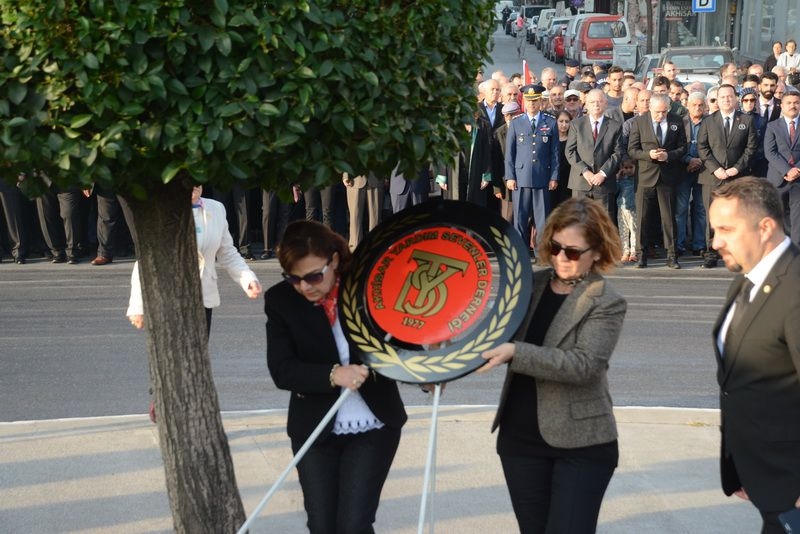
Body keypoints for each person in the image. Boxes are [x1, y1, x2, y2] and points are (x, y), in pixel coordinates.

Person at [479, 197, 627, 534]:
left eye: (573, 252)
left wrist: (517, 352)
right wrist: (447, 344)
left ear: (598, 253)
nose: (561, 257)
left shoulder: (606, 300)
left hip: (582, 444)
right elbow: (491, 333)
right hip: (520, 439)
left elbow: (583, 365)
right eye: (556, 247)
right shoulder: (529, 285)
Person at [265, 220, 407, 533]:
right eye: (294, 278)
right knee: (322, 525)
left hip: (374, 424)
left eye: (314, 276)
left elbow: (404, 339)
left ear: (335, 260)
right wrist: (334, 374)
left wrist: (429, 371)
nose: (305, 286)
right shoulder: (280, 301)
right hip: (314, 428)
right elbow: (282, 369)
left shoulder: (369, 288)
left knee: (354, 525)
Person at [707, 177, 800, 534]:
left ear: (765, 227)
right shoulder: (747, 278)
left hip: (791, 485)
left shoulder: (795, 287)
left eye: (727, 229)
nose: (716, 242)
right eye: (715, 229)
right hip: (762, 477)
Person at [127, 184, 262, 333]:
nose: (194, 185)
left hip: (204, 297)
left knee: (199, 353)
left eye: (197, 181)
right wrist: (138, 305)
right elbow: (147, 260)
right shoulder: (162, 211)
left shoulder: (216, 209)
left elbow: (227, 252)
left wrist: (248, 279)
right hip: (170, 299)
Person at [697, 84, 759, 268]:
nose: (726, 100)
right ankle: (711, 252)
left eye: (730, 96)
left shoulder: (746, 121)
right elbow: (702, 147)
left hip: (736, 177)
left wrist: (736, 169)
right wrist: (715, 168)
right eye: (722, 97)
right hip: (712, 177)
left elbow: (751, 148)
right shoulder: (708, 121)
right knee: (711, 216)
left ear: (736, 98)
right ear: (717, 99)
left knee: (737, 216)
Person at [627, 93, 688, 269]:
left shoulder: (676, 121)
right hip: (645, 176)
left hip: (667, 176)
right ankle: (641, 255)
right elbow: (632, 150)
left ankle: (672, 255)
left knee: (669, 218)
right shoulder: (639, 121)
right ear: (650, 108)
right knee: (643, 218)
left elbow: (683, 147)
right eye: (657, 112)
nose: (661, 115)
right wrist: (648, 155)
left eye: (664, 111)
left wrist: (668, 155)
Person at [505, 85, 560, 258]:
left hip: (542, 177)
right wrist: (510, 176)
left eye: (535, 100)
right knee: (520, 219)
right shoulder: (516, 122)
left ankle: (541, 253)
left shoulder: (550, 122)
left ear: (540, 101)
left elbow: (555, 153)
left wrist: (554, 176)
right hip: (520, 178)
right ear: (524, 102)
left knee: (542, 220)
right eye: (529, 101)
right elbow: (509, 154)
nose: (532, 104)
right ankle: (520, 253)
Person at [565, 89, 623, 214]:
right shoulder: (576, 124)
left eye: (599, 101)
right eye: (592, 102)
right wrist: (585, 171)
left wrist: (603, 173)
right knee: (579, 223)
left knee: (603, 225)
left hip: (604, 184)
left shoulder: (615, 126)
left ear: (606, 103)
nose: (596, 105)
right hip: (581, 183)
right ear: (586, 104)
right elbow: (570, 151)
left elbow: (618, 153)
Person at [764, 88, 800, 245]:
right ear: (782, 105)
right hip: (778, 178)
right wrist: (787, 170)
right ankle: (778, 251)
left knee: (798, 218)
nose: (793, 106)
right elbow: (770, 152)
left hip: (798, 179)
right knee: (776, 217)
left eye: (796, 103)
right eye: (789, 103)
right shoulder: (772, 126)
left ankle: (796, 252)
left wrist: (796, 170)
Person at [677, 91, 708, 257]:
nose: (697, 108)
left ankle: (699, 244)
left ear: (705, 106)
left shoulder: (710, 123)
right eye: (694, 105)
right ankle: (679, 245)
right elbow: (675, 145)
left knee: (701, 208)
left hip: (704, 170)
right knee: (681, 208)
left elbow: (713, 146)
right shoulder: (680, 122)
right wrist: (688, 160)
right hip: (683, 170)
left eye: (700, 105)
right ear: (687, 105)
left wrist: (699, 161)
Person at [551, 110, 573, 209]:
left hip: (568, 181)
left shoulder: (573, 140)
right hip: (552, 180)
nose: (564, 124)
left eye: (567, 122)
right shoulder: (550, 139)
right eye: (561, 121)